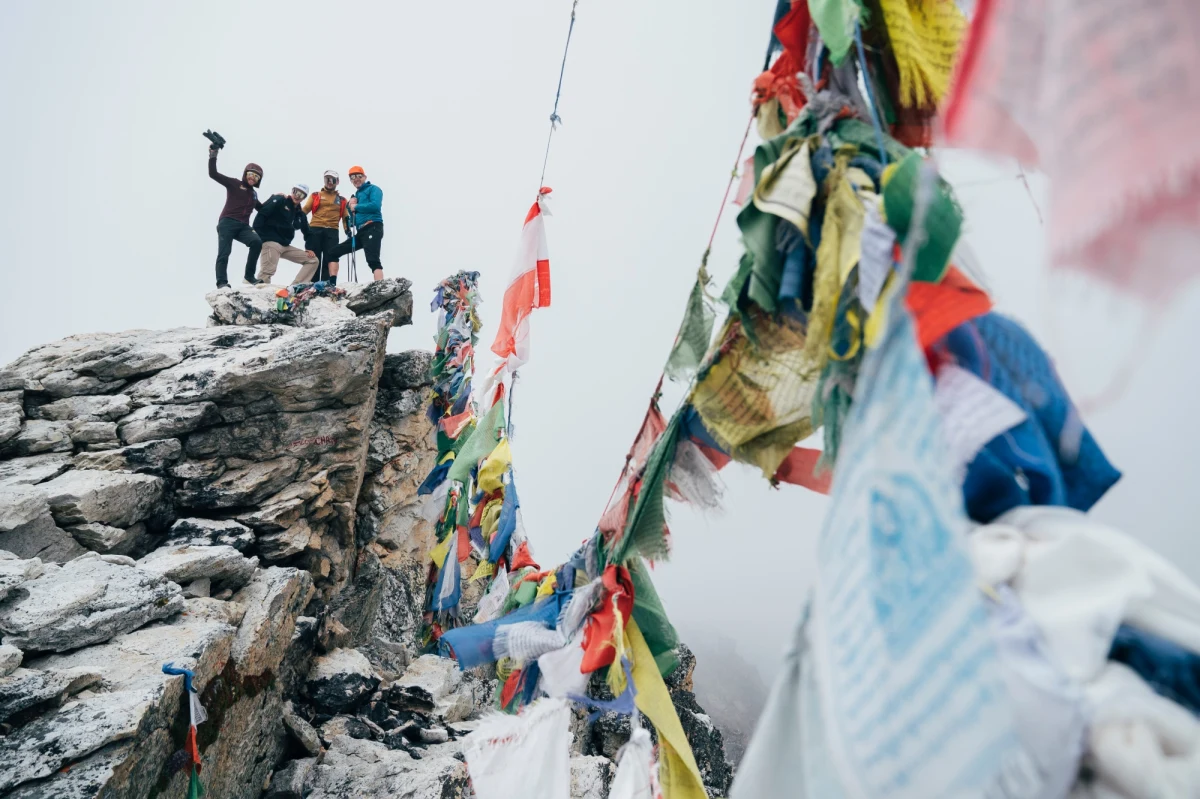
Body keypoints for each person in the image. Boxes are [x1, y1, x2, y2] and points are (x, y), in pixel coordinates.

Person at [208, 145, 265, 288]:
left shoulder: (253, 194)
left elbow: (262, 209)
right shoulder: (234, 183)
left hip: (243, 226)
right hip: (227, 222)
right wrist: (213, 154)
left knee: (257, 242)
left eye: (256, 177)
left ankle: (249, 276)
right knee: (224, 252)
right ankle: (222, 282)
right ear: (245, 174)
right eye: (250, 174)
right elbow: (213, 174)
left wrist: (279, 199)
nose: (253, 178)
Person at [324, 165, 384, 284]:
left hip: (373, 226)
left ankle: (381, 285)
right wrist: (349, 208)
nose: (356, 179)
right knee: (332, 252)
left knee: (372, 259)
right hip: (361, 231)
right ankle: (332, 284)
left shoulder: (374, 189)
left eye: (359, 176)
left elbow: (375, 206)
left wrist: (356, 206)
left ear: (364, 177)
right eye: (352, 177)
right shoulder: (356, 196)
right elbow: (353, 222)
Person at [253, 183, 319, 285]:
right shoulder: (280, 200)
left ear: (304, 198)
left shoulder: (300, 214)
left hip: (285, 246)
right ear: (292, 191)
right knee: (268, 270)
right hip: (271, 242)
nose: (297, 196)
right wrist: (257, 235)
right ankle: (260, 289)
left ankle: (295, 287)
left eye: (301, 195)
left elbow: (308, 232)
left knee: (313, 260)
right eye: (295, 192)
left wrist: (309, 248)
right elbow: (262, 212)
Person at [301, 170, 348, 283]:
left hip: (332, 231)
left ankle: (326, 284)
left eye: (332, 179)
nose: (329, 182)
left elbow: (345, 217)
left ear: (337, 181)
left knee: (330, 257)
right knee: (313, 257)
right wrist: (298, 220)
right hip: (315, 229)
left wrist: (348, 230)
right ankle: (312, 284)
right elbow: (305, 210)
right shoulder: (316, 195)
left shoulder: (342, 200)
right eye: (327, 179)